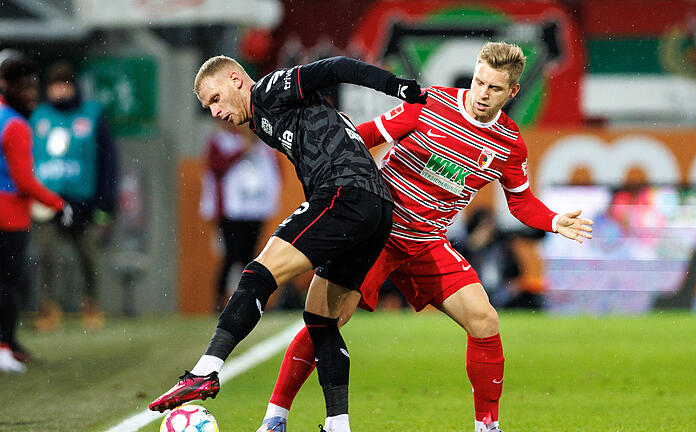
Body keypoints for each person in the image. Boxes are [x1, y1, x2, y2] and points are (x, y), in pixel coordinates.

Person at [254, 42, 594, 432]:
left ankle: (487, 426)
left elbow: (520, 203)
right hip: (374, 233)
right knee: (324, 323)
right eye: (479, 81)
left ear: (513, 92)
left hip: (426, 241)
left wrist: (553, 220)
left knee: (484, 320)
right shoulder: (428, 104)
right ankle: (275, 419)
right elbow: (361, 138)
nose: (483, 93)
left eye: (495, 89)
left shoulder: (509, 143)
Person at [149, 55, 428, 432]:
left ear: (236, 80)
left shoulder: (269, 89)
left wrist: (395, 86)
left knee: (257, 274)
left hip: (344, 194)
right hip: (376, 209)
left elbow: (336, 68)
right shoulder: (263, 123)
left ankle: (205, 370)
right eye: (207, 107)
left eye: (215, 99)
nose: (214, 111)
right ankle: (337, 424)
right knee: (320, 318)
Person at [29, 61, 118, 331]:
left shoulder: (91, 115)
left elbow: (108, 159)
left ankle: (91, 305)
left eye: (65, 84)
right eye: (55, 85)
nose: (60, 91)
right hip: (46, 201)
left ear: (74, 87)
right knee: (45, 256)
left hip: (83, 201)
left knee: (88, 257)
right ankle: (47, 308)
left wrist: (105, 200)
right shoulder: (38, 117)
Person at [0, 53, 69, 372]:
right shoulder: (16, 126)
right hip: (8, 217)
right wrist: (59, 204)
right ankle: (4, 348)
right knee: (10, 284)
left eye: (33, 88)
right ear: (8, 87)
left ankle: (9, 344)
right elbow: (24, 180)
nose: (30, 94)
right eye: (25, 88)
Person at [199, 121, 281, 311]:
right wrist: (241, 151)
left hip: (255, 209)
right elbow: (216, 166)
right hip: (231, 211)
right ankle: (219, 302)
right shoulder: (219, 141)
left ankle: (250, 302)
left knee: (250, 256)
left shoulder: (262, 142)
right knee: (230, 256)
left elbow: (275, 172)